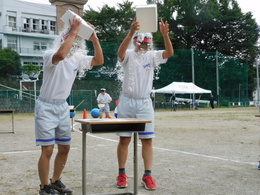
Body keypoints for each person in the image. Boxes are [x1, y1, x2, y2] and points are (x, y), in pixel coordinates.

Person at [35, 16, 103, 195]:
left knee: (64, 148)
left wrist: (94, 38)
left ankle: (56, 181)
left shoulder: (77, 59)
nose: (73, 44)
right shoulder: (50, 54)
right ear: (63, 38)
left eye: (76, 41)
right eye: (70, 39)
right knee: (48, 149)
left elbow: (99, 61)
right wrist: (73, 31)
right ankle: (44, 187)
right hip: (46, 106)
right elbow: (61, 55)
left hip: (62, 106)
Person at [116, 17, 174, 191]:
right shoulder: (129, 55)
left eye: (147, 44)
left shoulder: (152, 56)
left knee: (147, 140)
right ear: (135, 43)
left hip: (144, 102)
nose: (144, 47)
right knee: (124, 139)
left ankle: (147, 175)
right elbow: (120, 53)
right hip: (127, 101)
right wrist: (132, 32)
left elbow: (169, 53)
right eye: (141, 44)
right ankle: (121, 173)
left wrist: (165, 35)